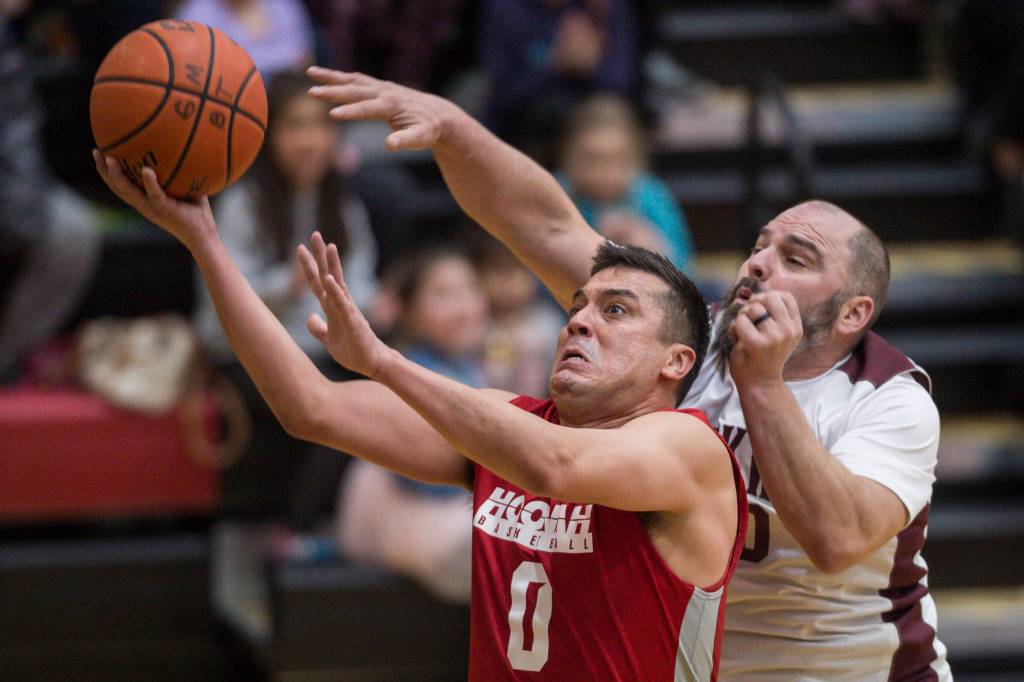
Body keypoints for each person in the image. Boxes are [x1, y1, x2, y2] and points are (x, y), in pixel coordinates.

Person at [304, 66, 952, 680]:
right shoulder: (679, 336)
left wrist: (761, 382)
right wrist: (452, 126)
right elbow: (544, 222)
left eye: (796, 258)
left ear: (853, 312)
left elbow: (835, 539)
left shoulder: (890, 398)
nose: (760, 264)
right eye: (759, 247)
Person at [92, 147, 746, 680]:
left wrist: (383, 362)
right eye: (578, 305)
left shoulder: (687, 448)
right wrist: (204, 242)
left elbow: (554, 465)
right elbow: (310, 406)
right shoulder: (507, 423)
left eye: (616, 310)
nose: (578, 320)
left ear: (675, 362)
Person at [193, 69, 377, 533]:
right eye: (295, 126)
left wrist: (367, 305)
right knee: (339, 412)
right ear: (268, 135)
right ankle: (291, 536)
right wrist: (291, 285)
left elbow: (362, 290)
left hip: (325, 349)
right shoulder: (242, 204)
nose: (311, 140)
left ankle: (306, 535)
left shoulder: (341, 202)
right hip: (256, 354)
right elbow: (216, 324)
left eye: (321, 125)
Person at [337, 246, 488, 603]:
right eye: (444, 295)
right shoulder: (407, 377)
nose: (465, 306)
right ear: (408, 311)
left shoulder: (471, 367)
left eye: (471, 289)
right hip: (406, 515)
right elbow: (427, 478)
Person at [558, 94, 694, 270]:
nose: (603, 173)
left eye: (615, 160)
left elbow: (685, 266)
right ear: (570, 156)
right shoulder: (557, 191)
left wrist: (649, 245)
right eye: (591, 159)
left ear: (634, 159)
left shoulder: (651, 194)